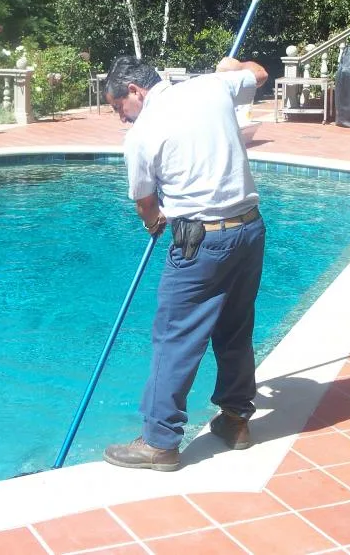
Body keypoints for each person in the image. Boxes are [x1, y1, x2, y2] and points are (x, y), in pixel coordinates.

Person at [102, 55, 269, 471]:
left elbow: (145, 202)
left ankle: (159, 441)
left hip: (202, 242)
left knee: (175, 337)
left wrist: (154, 221)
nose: (121, 119)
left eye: (118, 107)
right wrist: (233, 65)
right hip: (248, 231)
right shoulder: (211, 86)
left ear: (135, 92)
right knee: (235, 328)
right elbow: (261, 73)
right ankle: (235, 420)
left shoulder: (142, 136)